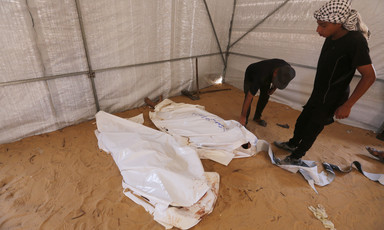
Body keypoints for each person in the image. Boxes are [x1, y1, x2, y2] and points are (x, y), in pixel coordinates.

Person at [274, 0, 377, 166]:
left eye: (323, 25)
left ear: (338, 23)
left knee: (312, 127)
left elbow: (370, 76)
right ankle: (292, 144)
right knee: (302, 121)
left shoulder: (356, 41)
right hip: (319, 92)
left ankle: (296, 156)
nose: (318, 30)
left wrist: (348, 105)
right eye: (318, 25)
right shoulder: (332, 35)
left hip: (333, 96)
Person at [239, 59, 296, 127]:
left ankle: (257, 117)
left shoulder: (287, 70)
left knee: (265, 96)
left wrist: (273, 88)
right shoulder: (262, 75)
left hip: (267, 75)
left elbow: (281, 80)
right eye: (276, 81)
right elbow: (249, 96)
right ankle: (244, 120)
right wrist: (243, 116)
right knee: (248, 97)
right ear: (275, 73)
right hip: (251, 74)